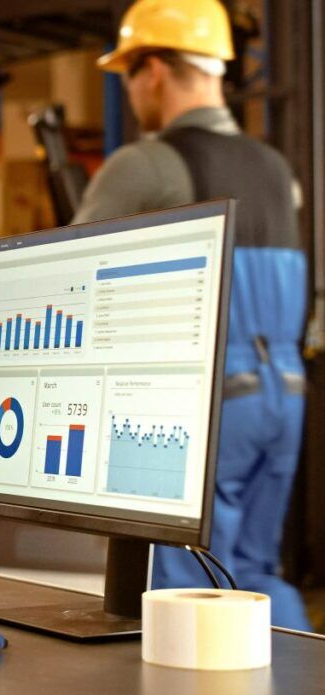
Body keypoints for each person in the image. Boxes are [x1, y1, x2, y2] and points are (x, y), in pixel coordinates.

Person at [75, 0, 311, 630]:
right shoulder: (278, 170)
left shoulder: (145, 164)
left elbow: (68, 281)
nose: (130, 92)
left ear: (153, 70)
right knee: (254, 579)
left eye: (128, 74)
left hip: (204, 405)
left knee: (183, 596)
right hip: (284, 395)